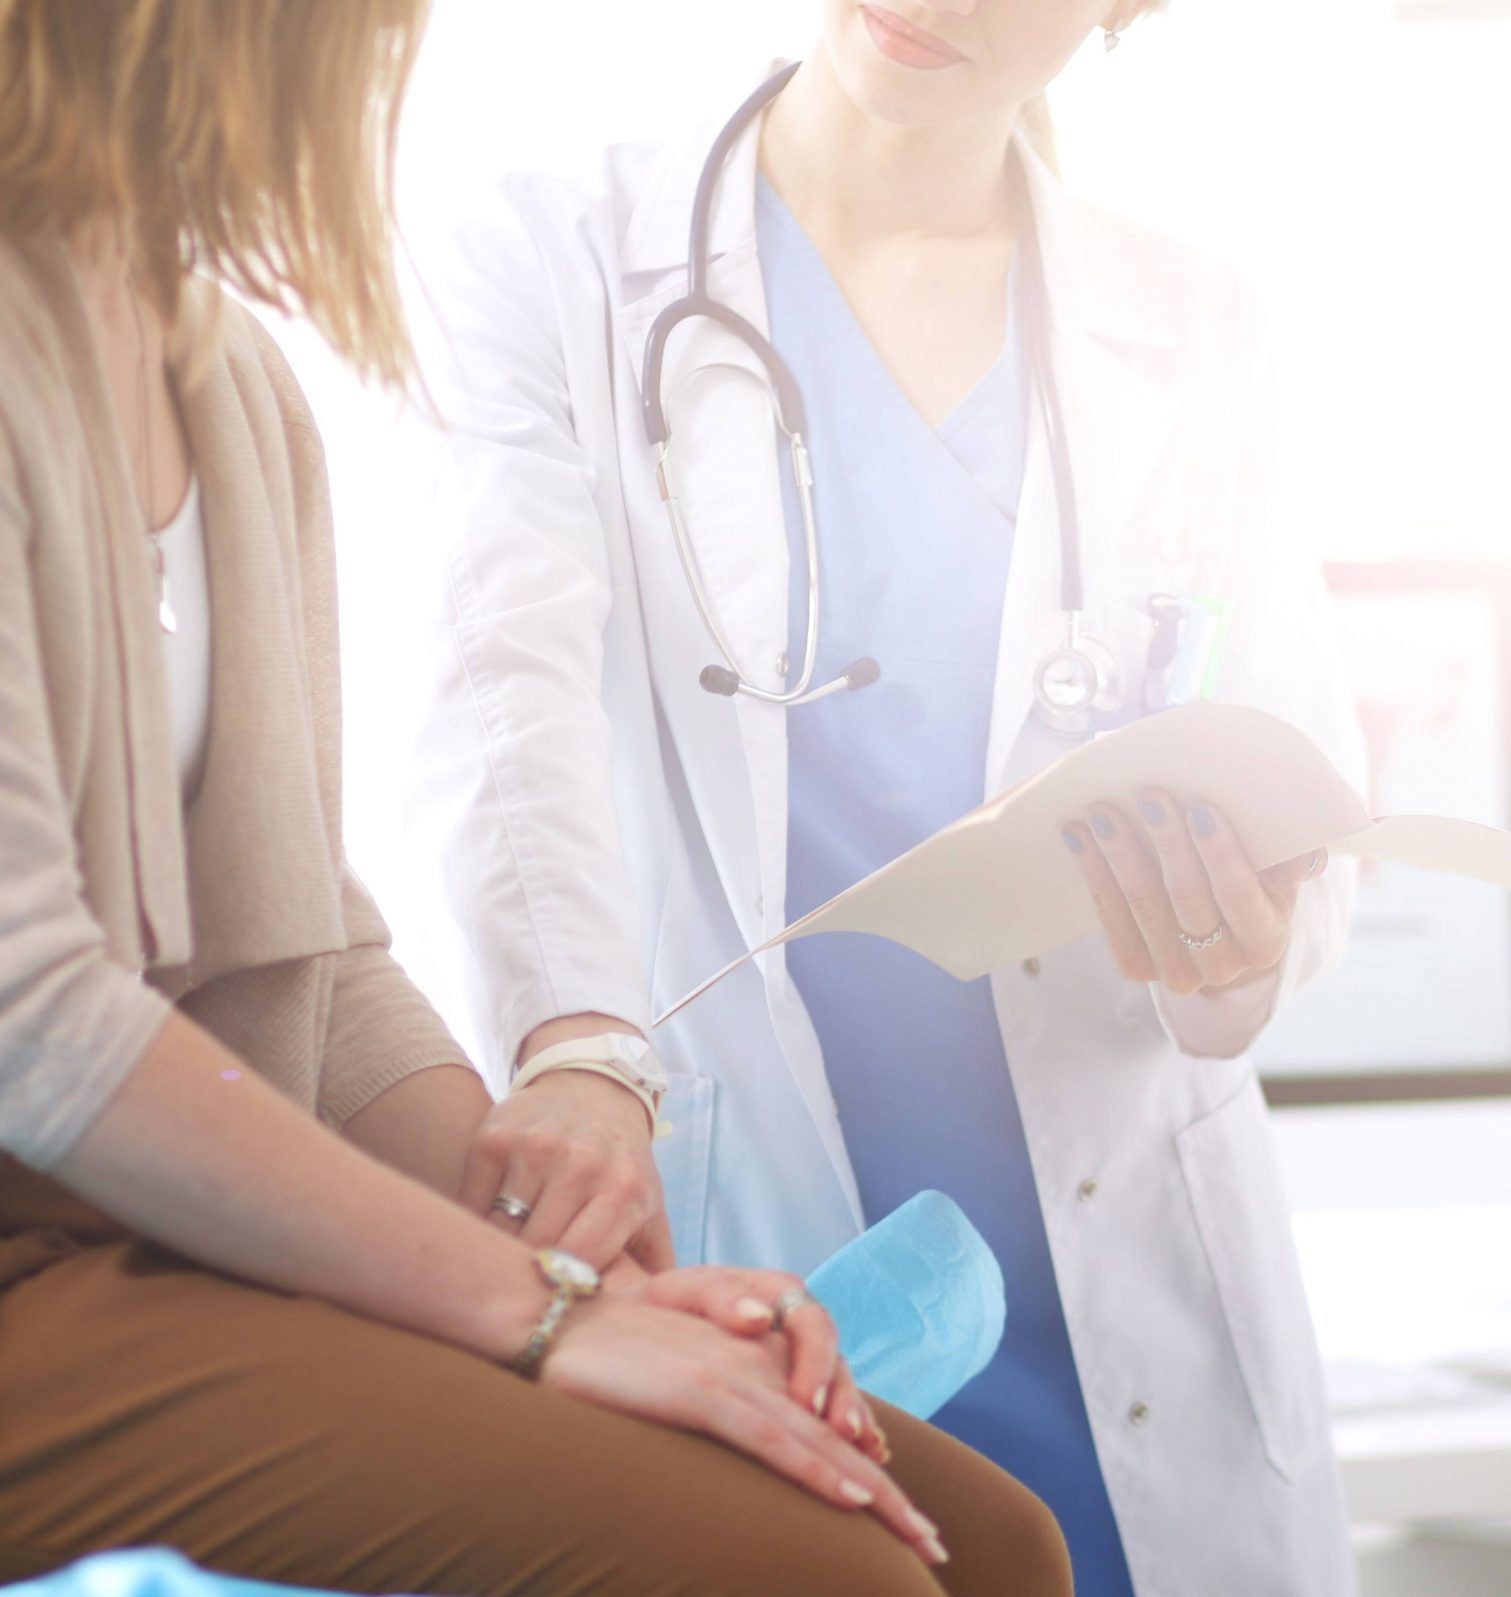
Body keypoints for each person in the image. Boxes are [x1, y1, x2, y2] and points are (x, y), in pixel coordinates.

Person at [0, 2, 1072, 1595]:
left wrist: (563, 1252)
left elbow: (310, 946)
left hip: (96, 1254)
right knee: (834, 1576)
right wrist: (539, 1316)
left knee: (993, 1544)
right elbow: (7, 1014)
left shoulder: (221, 373)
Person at [413, 3, 1369, 1593]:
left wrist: (1242, 940)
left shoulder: (1195, 329)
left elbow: (1307, 793)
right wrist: (575, 1037)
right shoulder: (555, 258)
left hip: (1125, 1294)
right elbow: (492, 692)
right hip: (777, 1252)